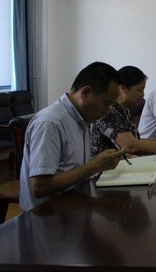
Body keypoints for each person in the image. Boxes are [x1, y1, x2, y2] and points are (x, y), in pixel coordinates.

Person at [19, 62, 126, 211]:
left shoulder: (83, 117)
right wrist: (94, 166)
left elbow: (74, 170)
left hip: (75, 205)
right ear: (86, 93)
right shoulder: (50, 123)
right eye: (106, 103)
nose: (108, 111)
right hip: (46, 216)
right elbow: (40, 187)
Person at [90, 66, 156, 158]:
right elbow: (131, 146)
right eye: (140, 90)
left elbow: (137, 141)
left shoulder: (124, 110)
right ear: (123, 89)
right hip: (105, 171)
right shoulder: (109, 111)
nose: (143, 95)